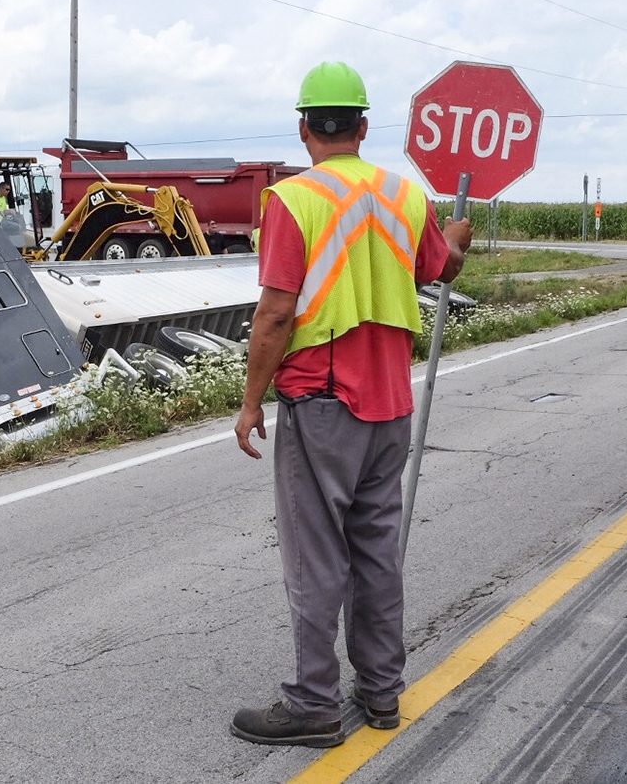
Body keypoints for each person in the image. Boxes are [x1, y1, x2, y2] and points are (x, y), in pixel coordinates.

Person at [230, 61, 472, 748]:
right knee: (375, 551)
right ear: (363, 127)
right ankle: (382, 691)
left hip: (322, 400)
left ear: (305, 126)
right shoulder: (406, 195)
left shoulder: (293, 200)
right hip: (392, 401)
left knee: (315, 558)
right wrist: (457, 242)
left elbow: (276, 313)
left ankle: (312, 703)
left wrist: (251, 402)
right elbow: (441, 268)